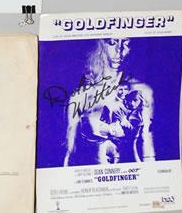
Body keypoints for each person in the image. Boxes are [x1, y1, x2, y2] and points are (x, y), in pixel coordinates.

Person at [63, 38, 155, 166]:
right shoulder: (81, 96)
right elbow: (70, 150)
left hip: (131, 171)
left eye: (126, 44)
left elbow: (147, 144)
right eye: (112, 43)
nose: (119, 50)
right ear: (101, 45)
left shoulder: (142, 92)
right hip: (93, 173)